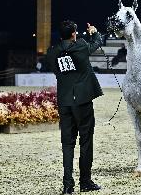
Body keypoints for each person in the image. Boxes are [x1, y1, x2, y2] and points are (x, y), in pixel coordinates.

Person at [46, 20, 103, 195]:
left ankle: (67, 185)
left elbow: (57, 71)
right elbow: (97, 43)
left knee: (67, 144)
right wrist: (94, 32)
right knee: (86, 141)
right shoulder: (81, 46)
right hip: (82, 101)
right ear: (73, 34)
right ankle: (85, 181)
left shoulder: (53, 52)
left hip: (64, 101)